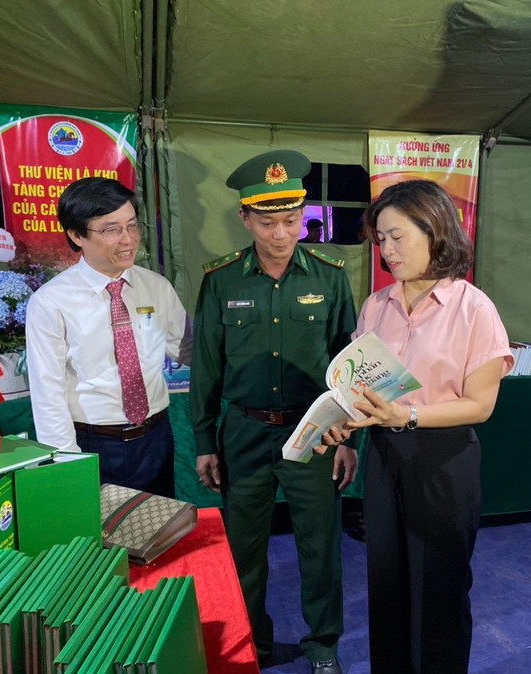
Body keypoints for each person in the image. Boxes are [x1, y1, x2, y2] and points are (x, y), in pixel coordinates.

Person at [325, 179, 512, 672]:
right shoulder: (376, 307)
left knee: (440, 589)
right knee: (386, 582)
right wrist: (347, 426)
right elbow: (364, 387)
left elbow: (480, 405)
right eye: (380, 239)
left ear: (435, 231)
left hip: (444, 461)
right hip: (385, 458)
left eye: (397, 236)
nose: (386, 250)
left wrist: (405, 415)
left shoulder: (474, 310)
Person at [190, 150, 359, 674]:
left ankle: (323, 644)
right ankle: (251, 643)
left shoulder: (330, 277)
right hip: (243, 431)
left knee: (319, 545)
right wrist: (203, 442)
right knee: (244, 550)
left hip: (313, 431)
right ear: (245, 219)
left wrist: (347, 436)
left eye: (291, 220)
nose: (281, 233)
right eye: (267, 222)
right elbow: (206, 367)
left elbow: (348, 363)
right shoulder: (221, 280)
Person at [26, 177, 192, 496]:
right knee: (99, 542)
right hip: (94, 445)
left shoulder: (156, 287)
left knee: (157, 537)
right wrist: (68, 465)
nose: (128, 240)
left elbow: (189, 349)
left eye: (132, 225)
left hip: (155, 439)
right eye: (110, 229)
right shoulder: (51, 302)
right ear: (76, 235)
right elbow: (48, 393)